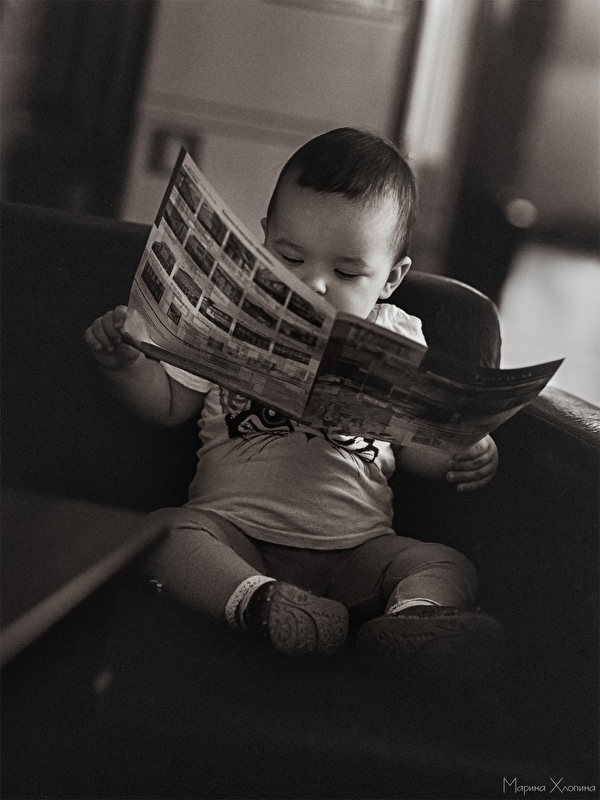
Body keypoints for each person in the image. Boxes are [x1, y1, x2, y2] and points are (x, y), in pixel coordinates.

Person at [84, 128, 502, 678]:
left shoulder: (396, 336)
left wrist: (461, 448)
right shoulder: (227, 318)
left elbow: (417, 447)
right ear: (264, 241)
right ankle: (260, 604)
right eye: (290, 257)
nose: (315, 284)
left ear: (391, 278)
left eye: (347, 272)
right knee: (163, 533)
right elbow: (168, 405)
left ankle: (413, 618)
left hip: (359, 554)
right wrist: (127, 365)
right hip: (234, 538)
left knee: (445, 562)